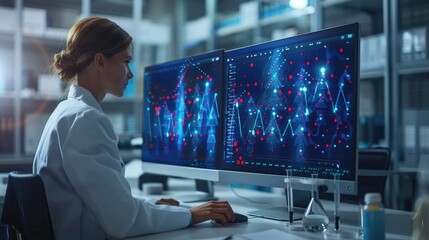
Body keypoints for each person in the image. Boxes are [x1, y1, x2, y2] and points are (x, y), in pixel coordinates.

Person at [33, 16, 235, 240]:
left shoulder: (66, 111)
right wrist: (191, 214)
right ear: (100, 62)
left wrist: (149, 207)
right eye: (125, 61)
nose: (130, 73)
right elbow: (123, 223)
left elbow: (109, 204)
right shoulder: (85, 119)